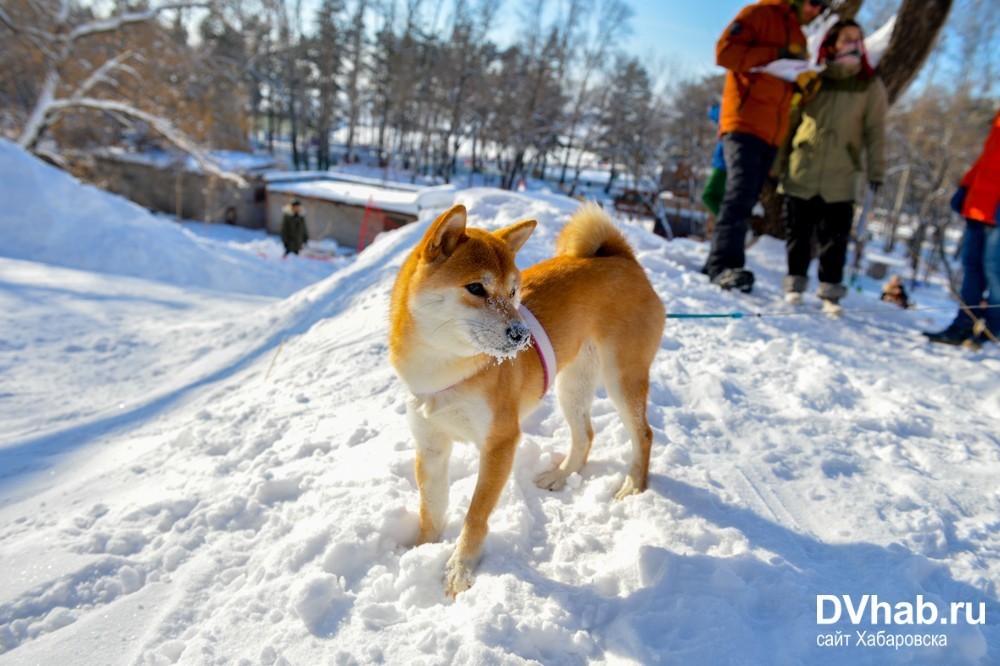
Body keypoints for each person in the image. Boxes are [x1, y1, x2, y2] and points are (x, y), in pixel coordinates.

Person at [704, 0, 828, 293]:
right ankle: (722, 266)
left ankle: (726, 262)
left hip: (773, 133)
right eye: (814, 3)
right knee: (739, 193)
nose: (817, 10)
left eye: (822, 7)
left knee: (746, 199)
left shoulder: (798, 34)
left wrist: (801, 86)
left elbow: (783, 85)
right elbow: (724, 54)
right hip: (743, 122)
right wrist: (775, 54)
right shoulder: (758, 13)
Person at [777, 19, 887, 315]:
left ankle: (830, 293)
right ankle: (795, 285)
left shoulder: (869, 84)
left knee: (834, 237)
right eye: (846, 38)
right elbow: (792, 120)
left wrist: (877, 171)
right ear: (832, 42)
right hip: (804, 166)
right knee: (798, 232)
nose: (852, 43)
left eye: (857, 38)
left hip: (842, 172)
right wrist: (778, 162)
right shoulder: (814, 78)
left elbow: (875, 130)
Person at [923, 109, 1000, 348]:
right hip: (979, 205)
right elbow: (987, 160)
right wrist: (966, 186)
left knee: (994, 270)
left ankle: (993, 330)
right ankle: (963, 325)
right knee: (971, 268)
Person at [701, 103, 727, 217]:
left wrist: (712, 109)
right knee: (722, 199)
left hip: (723, 165)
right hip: (725, 164)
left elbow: (719, 114)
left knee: (708, 196)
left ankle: (730, 224)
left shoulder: (727, 116)